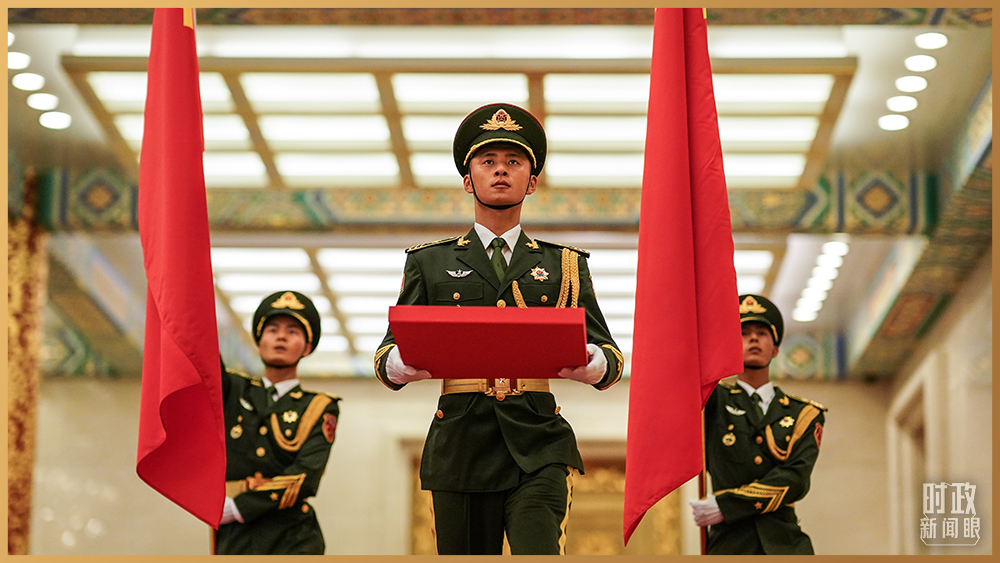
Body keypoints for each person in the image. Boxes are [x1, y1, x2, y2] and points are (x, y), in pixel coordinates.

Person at [373, 103, 624, 555]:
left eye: (513, 161)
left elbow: (610, 353)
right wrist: (399, 363)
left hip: (539, 440)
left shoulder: (564, 264)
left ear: (532, 181)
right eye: (488, 161)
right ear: (468, 181)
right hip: (461, 444)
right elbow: (385, 353)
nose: (501, 170)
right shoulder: (429, 261)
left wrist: (596, 363)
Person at [690, 294, 827, 554]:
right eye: (743, 333)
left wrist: (727, 506)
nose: (753, 338)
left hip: (785, 544)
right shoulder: (712, 401)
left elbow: (796, 478)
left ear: (775, 349)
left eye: (762, 333)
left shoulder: (804, 413)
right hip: (729, 545)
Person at [214, 290, 341, 555]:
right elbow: (199, 352)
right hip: (236, 537)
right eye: (272, 330)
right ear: (259, 341)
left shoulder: (319, 407)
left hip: (293, 538)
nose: (281, 336)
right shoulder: (233, 389)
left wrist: (240, 507)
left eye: (292, 331)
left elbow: (306, 475)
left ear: (307, 347)